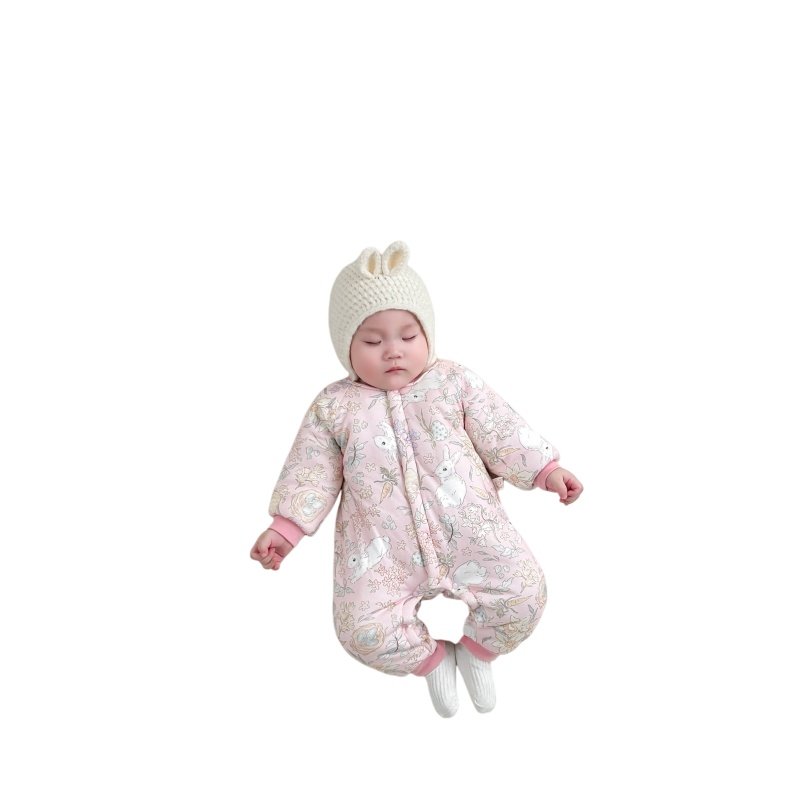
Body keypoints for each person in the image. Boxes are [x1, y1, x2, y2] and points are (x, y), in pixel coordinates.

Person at [250, 241, 583, 717]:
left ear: (427, 333)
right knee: (361, 631)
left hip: (472, 531)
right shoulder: (334, 407)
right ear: (345, 347)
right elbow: (312, 470)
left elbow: (499, 428)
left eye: (408, 336)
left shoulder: (452, 382)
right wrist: (285, 529)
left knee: (525, 593)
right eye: (372, 341)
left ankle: (477, 652)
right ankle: (432, 661)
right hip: (380, 552)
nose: (393, 351)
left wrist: (545, 470)